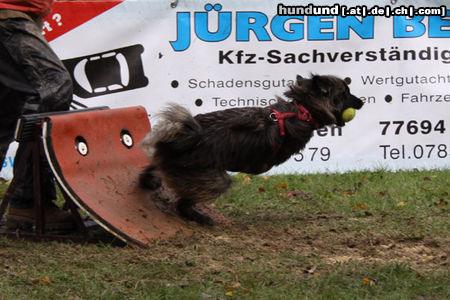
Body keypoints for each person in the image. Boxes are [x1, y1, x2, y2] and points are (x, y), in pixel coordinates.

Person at [0, 0, 75, 230]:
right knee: (53, 86)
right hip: (9, 13)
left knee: (8, 104)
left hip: (22, 11)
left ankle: (28, 204)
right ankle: (28, 200)